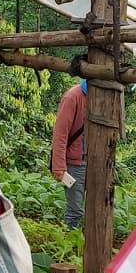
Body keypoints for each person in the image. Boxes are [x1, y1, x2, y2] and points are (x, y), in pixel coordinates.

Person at [49, 82, 86, 227]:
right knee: (75, 211)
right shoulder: (73, 97)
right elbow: (60, 133)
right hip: (75, 163)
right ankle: (68, 246)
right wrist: (58, 165)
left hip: (96, 162)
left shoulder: (106, 94)